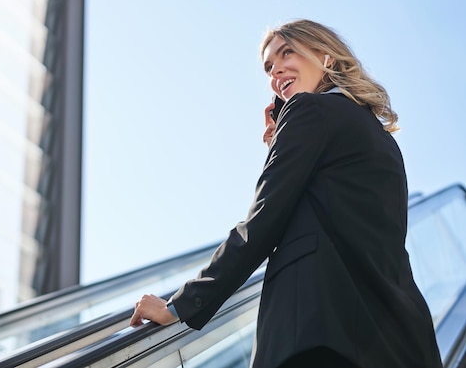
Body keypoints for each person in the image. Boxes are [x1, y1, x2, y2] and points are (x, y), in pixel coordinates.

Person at [129, 19, 442, 368]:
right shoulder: (380, 139)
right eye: (268, 67)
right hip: (400, 341)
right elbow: (332, 217)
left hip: (320, 336)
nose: (275, 70)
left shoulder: (309, 110)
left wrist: (180, 306)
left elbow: (265, 217)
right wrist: (282, 143)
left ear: (325, 57)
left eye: (287, 52)